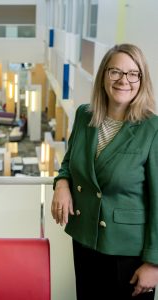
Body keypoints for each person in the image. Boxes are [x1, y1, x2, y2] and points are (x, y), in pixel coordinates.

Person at [51, 44, 158, 299]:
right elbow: (69, 162)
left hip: (129, 254)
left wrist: (154, 263)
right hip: (85, 240)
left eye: (133, 73)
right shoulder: (84, 116)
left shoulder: (152, 129)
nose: (124, 80)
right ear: (103, 76)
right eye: (116, 72)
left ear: (142, 80)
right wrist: (62, 184)